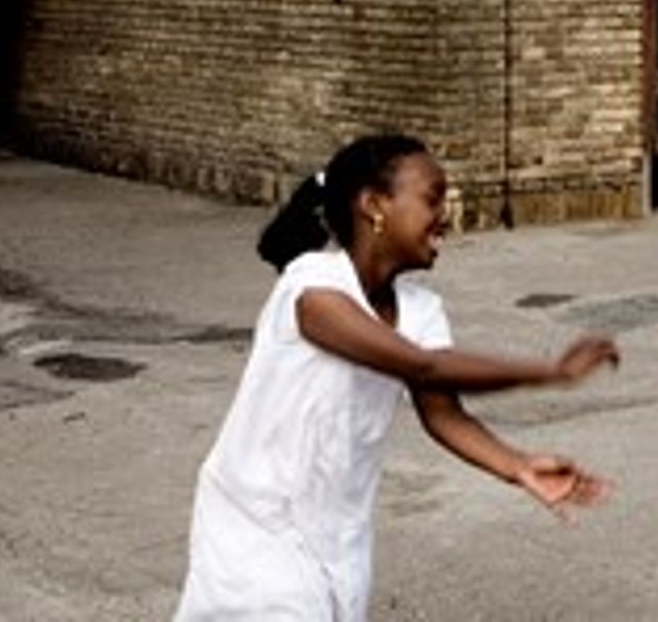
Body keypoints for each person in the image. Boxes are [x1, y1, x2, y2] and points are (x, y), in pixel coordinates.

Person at [176, 132, 620, 620]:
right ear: (374, 205)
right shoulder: (312, 285)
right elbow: (421, 364)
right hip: (256, 521)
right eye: (433, 199)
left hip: (338, 533)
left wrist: (518, 466)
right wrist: (550, 372)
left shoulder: (421, 311)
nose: (445, 216)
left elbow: (444, 413)